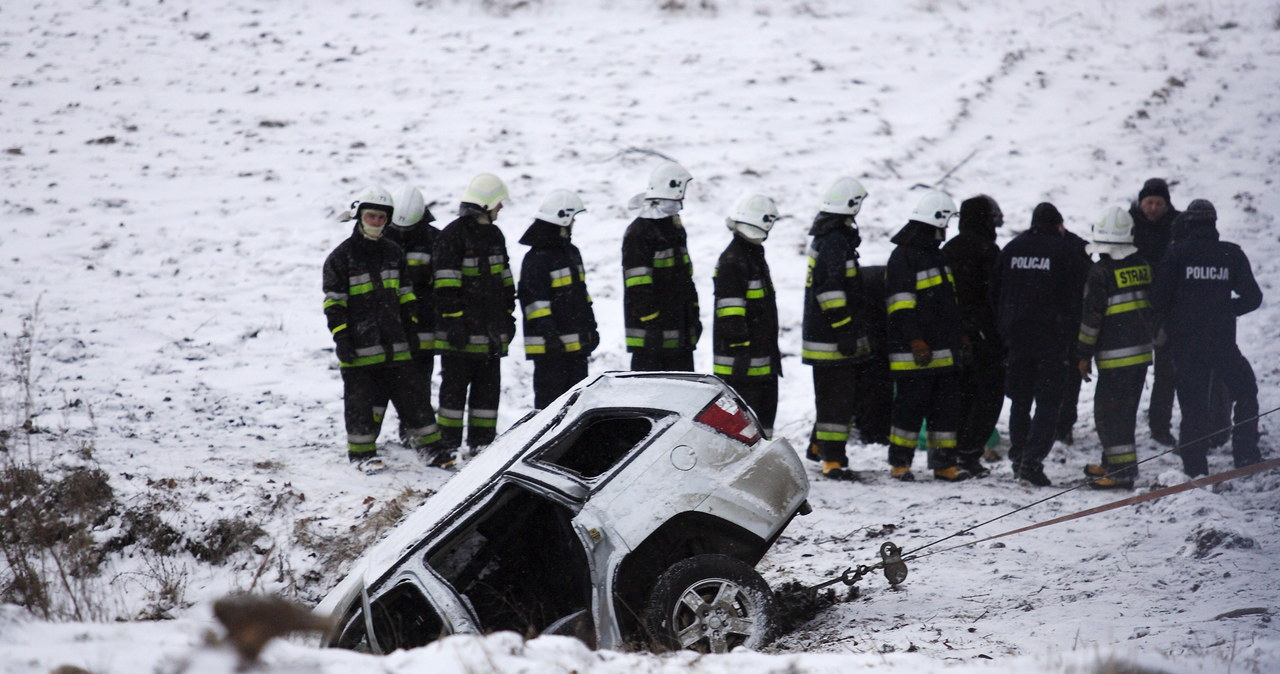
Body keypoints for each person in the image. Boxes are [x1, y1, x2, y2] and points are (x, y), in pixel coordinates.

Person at [322, 186, 444, 475]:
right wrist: (341, 336)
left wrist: (411, 328)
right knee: (360, 401)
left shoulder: (393, 252)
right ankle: (362, 454)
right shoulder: (340, 258)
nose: (376, 222)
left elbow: (405, 295)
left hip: (396, 344)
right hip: (359, 346)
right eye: (371, 216)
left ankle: (432, 449)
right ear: (359, 217)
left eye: (381, 218)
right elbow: (334, 304)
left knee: (414, 399)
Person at [1152, 199, 1263, 477]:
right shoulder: (1230, 254)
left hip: (1187, 346)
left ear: (1188, 224)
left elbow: (1158, 300)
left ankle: (1195, 467)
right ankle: (1246, 455)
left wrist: (1179, 318)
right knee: (1246, 391)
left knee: (1193, 407)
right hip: (1223, 343)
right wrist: (1226, 310)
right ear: (1214, 224)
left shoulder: (1177, 254)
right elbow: (1253, 297)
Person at [991, 202, 1087, 487]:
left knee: (1020, 401)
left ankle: (1019, 456)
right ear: (1058, 224)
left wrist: (1005, 327)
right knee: (1048, 403)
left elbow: (996, 292)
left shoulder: (1012, 248)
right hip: (1052, 341)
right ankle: (1032, 462)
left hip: (1017, 339)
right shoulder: (1065, 251)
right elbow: (1076, 297)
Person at [884, 191, 968, 482]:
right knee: (909, 409)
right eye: (945, 224)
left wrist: (960, 336)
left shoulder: (935, 254)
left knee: (945, 411)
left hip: (944, 351)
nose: (946, 231)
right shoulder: (903, 257)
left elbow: (947, 304)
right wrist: (915, 341)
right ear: (936, 221)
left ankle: (945, 465)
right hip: (913, 354)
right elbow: (900, 306)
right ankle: (900, 464)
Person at [433, 173, 516, 456]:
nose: (500, 209)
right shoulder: (452, 236)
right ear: (485, 204)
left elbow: (505, 278)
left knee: (487, 391)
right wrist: (454, 320)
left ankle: (482, 443)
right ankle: (448, 443)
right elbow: (445, 284)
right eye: (498, 203)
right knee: (453, 392)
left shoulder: (495, 235)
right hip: (460, 334)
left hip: (491, 332)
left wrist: (509, 314)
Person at [800, 177, 877, 480]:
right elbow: (830, 292)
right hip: (832, 340)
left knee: (834, 398)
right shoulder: (834, 242)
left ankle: (820, 447)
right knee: (837, 402)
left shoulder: (829, 238)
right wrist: (845, 330)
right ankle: (833, 460)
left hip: (827, 337)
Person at [1076, 206, 1155, 489]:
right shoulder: (1143, 265)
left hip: (1114, 356)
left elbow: (1091, 320)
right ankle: (1112, 463)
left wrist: (1082, 354)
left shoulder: (1101, 273)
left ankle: (1121, 473)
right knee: (1125, 411)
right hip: (1141, 354)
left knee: (1110, 414)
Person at [365, 185, 444, 456]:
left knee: (417, 386)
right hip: (385, 329)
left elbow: (440, 286)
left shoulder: (435, 240)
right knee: (377, 386)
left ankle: (412, 434)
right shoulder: (377, 239)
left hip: (422, 328)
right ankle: (366, 438)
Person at [941, 195, 1006, 477]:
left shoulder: (948, 249)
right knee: (988, 396)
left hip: (951, 337)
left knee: (960, 396)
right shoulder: (989, 251)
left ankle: (954, 452)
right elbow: (998, 297)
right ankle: (969, 453)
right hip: (985, 338)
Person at [518, 189, 599, 409]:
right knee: (550, 409)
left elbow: (581, 297)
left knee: (576, 407)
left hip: (575, 350)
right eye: (572, 219)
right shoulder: (536, 259)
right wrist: (550, 337)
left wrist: (591, 328)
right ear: (562, 219)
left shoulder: (571, 252)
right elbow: (535, 305)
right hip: (550, 353)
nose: (573, 224)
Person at [713, 193, 782, 437]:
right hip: (743, 367)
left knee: (761, 425)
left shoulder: (751, 256)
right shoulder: (735, 260)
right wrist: (741, 350)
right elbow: (730, 313)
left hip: (758, 363)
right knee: (743, 429)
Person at [622, 161, 701, 371]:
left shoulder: (674, 230)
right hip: (651, 344)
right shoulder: (640, 232)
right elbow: (638, 286)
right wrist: (651, 323)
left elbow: (685, 280)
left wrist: (692, 316)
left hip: (680, 338)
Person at [1129, 178, 1181, 447]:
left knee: (1166, 372)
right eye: (1149, 202)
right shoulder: (1126, 224)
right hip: (1133, 306)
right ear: (1140, 201)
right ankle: (1126, 423)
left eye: (1158, 203)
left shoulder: (1178, 226)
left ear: (1166, 204)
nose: (1152, 208)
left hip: (1167, 308)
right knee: (1132, 371)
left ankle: (1160, 426)